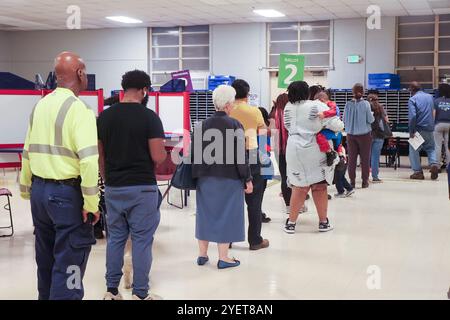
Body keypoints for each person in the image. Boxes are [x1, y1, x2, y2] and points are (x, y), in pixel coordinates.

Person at [20, 51, 99, 300]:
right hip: (66, 196)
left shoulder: (40, 105)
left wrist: (25, 189)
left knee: (46, 261)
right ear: (80, 74)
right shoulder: (80, 110)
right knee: (70, 265)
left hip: (39, 195)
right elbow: (88, 161)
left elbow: (27, 152)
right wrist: (91, 204)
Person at [98, 70, 167, 300]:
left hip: (114, 188)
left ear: (123, 88)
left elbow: (100, 156)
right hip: (142, 188)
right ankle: (140, 293)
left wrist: (108, 180)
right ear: (144, 90)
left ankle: (111, 291)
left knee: (115, 239)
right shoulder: (150, 117)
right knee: (141, 241)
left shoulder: (105, 117)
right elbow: (158, 156)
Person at [192, 85, 252, 269]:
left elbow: (193, 154)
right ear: (227, 105)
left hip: (204, 178)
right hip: (229, 179)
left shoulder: (201, 125)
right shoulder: (235, 125)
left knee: (205, 214)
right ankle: (224, 257)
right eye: (232, 103)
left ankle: (202, 255)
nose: (233, 106)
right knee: (226, 215)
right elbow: (241, 157)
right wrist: (247, 179)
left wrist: (197, 177)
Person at [283, 81, 344, 234]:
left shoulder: (288, 107)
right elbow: (337, 125)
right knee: (319, 186)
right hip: (315, 148)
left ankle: (291, 223)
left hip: (293, 149)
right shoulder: (316, 105)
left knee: (299, 187)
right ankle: (323, 222)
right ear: (307, 92)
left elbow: (286, 126)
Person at [229, 79, 269, 251]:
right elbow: (264, 133)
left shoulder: (227, 111)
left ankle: (227, 239)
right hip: (252, 154)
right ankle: (255, 240)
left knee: (230, 199)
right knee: (254, 200)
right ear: (247, 93)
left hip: (229, 156)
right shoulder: (254, 111)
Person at [343, 83, 375, 189]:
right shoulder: (366, 104)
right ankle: (364, 181)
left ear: (352, 92)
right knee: (365, 159)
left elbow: (344, 120)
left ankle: (352, 181)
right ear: (363, 92)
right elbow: (370, 119)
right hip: (364, 135)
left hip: (350, 135)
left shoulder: (348, 104)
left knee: (351, 159)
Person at [408, 81, 440, 180]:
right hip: (430, 128)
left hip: (418, 128)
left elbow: (413, 116)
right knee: (431, 148)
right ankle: (434, 164)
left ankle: (418, 172)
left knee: (414, 150)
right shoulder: (430, 97)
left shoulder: (412, 99)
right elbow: (434, 111)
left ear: (412, 90)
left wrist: (411, 131)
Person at [368, 92, 390, 183]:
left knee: (366, 156)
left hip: (368, 134)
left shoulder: (367, 107)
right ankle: (375, 176)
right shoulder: (381, 108)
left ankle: (365, 177)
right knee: (375, 157)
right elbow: (386, 120)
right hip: (379, 135)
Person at [258, 107, 274, 223]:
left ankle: (258, 212)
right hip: (262, 164)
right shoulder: (264, 132)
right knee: (259, 192)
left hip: (254, 163)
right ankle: (258, 213)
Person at [315, 90, 340, 166]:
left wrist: (324, 114)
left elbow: (334, 112)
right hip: (332, 131)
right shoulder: (328, 105)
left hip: (333, 132)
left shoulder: (331, 104)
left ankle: (329, 153)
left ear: (321, 100)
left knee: (319, 136)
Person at [433, 83, 450, 170]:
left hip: (438, 124)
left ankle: (437, 166)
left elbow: (433, 115)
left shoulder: (436, 101)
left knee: (437, 146)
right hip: (449, 125)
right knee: (448, 147)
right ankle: (448, 166)